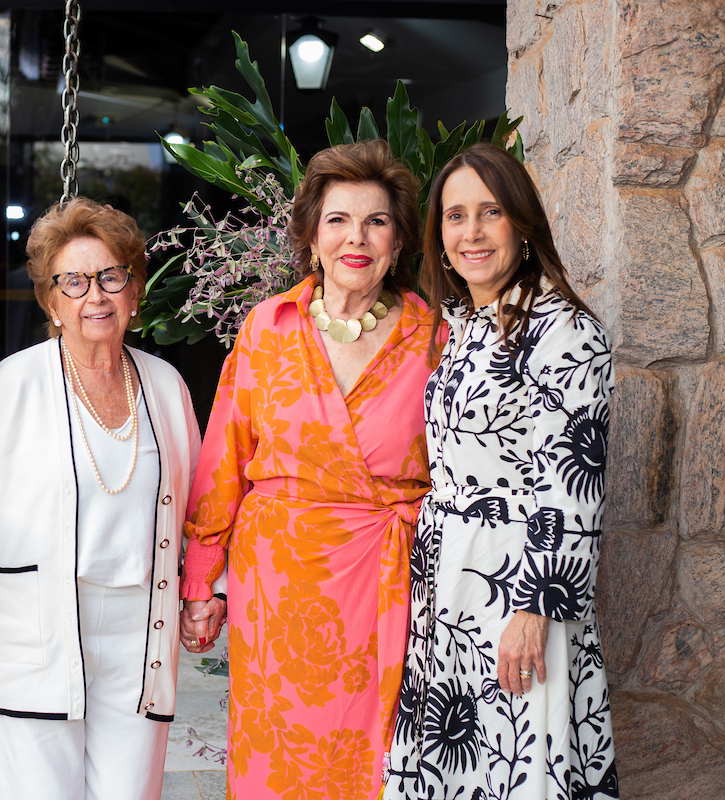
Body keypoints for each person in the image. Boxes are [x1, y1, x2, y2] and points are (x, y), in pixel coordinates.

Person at [0, 197, 200, 800]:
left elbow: (198, 509)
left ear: (135, 291)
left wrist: (207, 592)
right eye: (74, 281)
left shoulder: (166, 386)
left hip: (139, 640)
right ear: (51, 302)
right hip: (35, 636)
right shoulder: (19, 379)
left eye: (111, 276)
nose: (95, 295)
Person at [179, 139, 442, 799]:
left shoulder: (435, 337)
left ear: (400, 239)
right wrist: (199, 581)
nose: (357, 238)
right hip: (278, 589)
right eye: (338, 220)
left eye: (376, 221)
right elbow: (224, 461)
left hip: (389, 584)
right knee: (278, 762)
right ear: (311, 234)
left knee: (381, 761)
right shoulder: (269, 327)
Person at [384, 142, 618, 799]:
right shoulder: (462, 326)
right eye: (454, 217)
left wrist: (534, 610)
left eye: (489, 212)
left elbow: (574, 487)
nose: (471, 232)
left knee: (520, 761)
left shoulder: (565, 332)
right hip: (449, 585)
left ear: (522, 222)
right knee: (460, 771)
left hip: (517, 585)